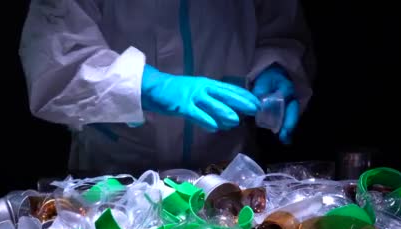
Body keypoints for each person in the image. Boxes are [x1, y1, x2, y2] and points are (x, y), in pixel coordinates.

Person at [19, 0, 315, 177]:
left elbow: (280, 29)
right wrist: (146, 86)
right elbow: (55, 63)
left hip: (228, 173)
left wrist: (276, 66)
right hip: (115, 178)